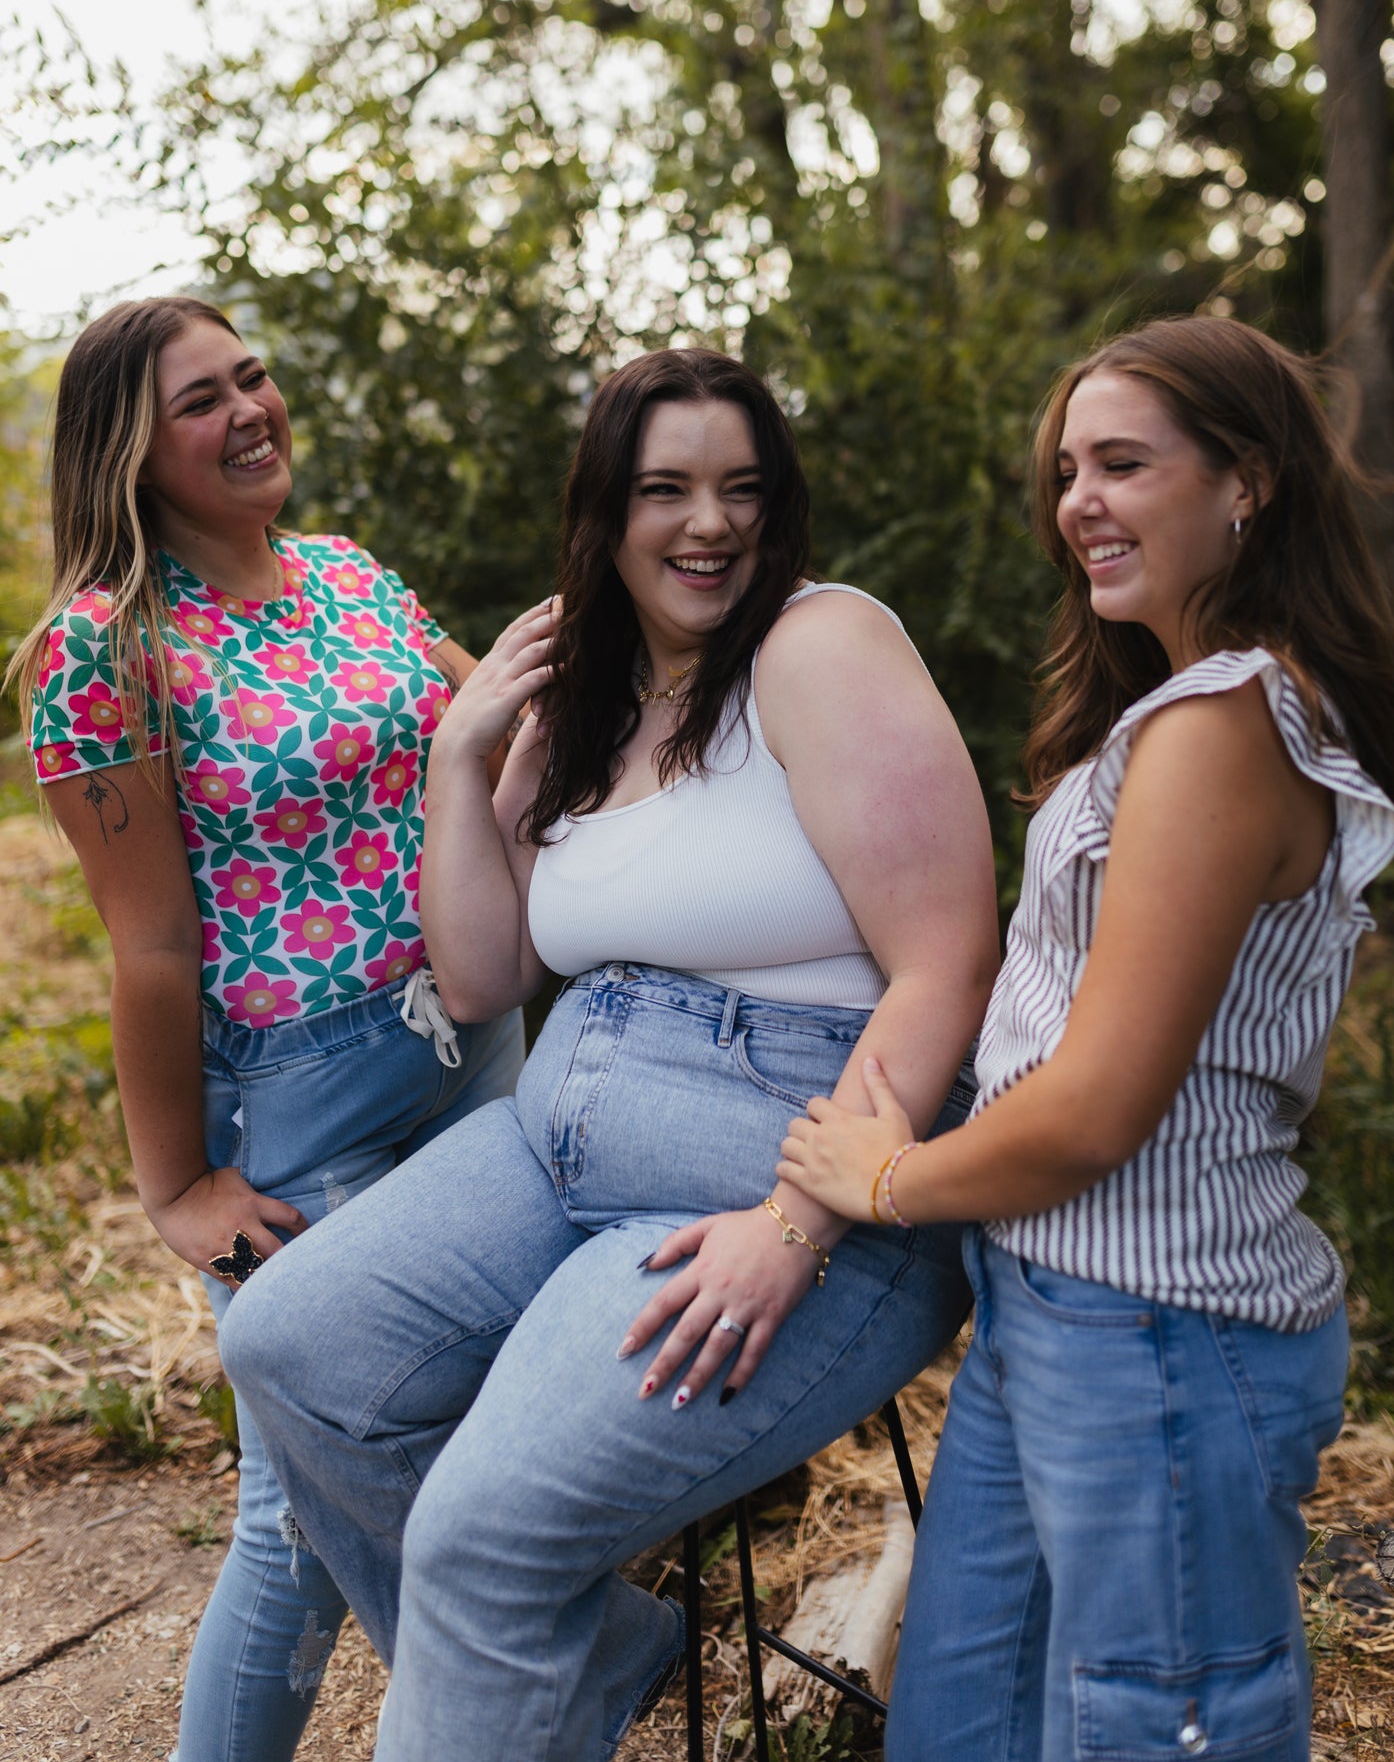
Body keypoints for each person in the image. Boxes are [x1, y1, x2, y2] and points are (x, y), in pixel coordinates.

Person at [216, 344, 999, 1760]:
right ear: (603, 510)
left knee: (477, 1540)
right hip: (553, 1135)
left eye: (741, 489)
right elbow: (480, 974)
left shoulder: (817, 645)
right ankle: (585, 1653)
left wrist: (794, 1222)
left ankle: (512, 1627)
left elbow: (948, 961)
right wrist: (466, 755)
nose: (709, 523)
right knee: (285, 1344)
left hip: (776, 1161)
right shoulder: (595, 696)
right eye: (665, 489)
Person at [779, 314, 1394, 1762]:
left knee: (1154, 1728)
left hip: (1160, 1330)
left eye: (1123, 464)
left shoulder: (1222, 728)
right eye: (1069, 470)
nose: (1078, 504)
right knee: (961, 1722)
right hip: (1053, 1305)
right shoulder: (1172, 711)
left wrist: (881, 1177)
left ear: (1244, 482)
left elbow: (1094, 1107)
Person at [10, 297, 525, 1762]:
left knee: (489, 1443)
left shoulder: (350, 578)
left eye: (254, 378)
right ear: (127, 446)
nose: (249, 410)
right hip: (306, 1115)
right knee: (302, 1511)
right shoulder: (102, 655)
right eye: (199, 401)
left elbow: (495, 725)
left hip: (477, 1054)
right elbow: (152, 946)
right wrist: (173, 1189)